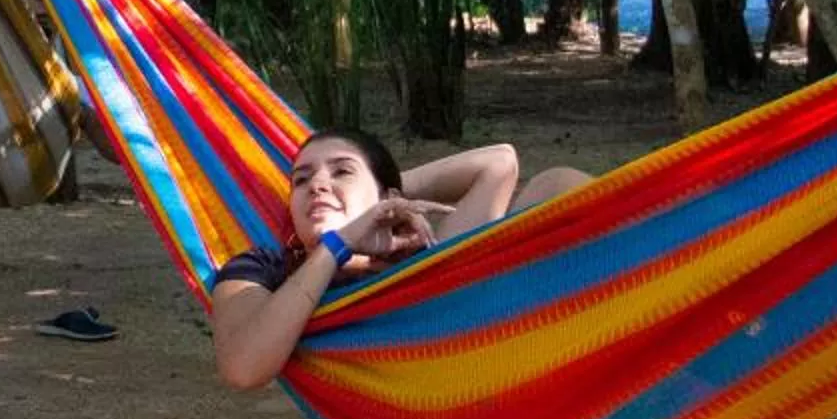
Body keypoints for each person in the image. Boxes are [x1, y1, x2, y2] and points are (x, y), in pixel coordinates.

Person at [207, 130, 588, 389]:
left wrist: (381, 202)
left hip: (514, 353)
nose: (317, 185)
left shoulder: (419, 259)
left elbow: (499, 163)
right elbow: (244, 367)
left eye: (341, 171)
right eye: (301, 181)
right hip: (443, 406)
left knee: (557, 185)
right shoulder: (262, 269)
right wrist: (337, 245)